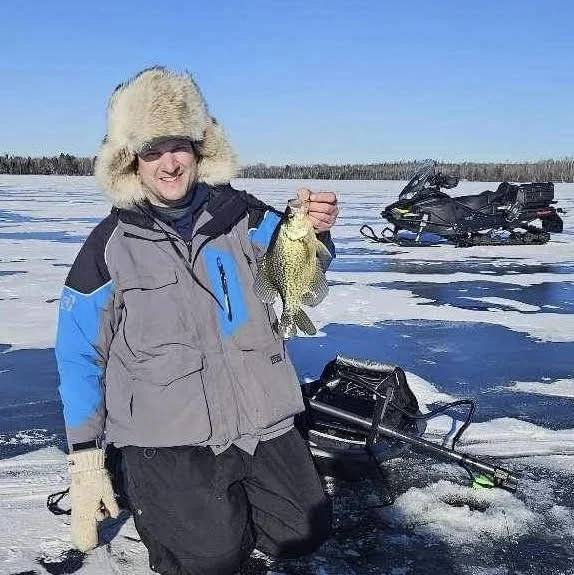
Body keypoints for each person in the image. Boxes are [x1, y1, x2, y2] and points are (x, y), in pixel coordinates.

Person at [55, 66, 339, 575]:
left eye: (179, 146)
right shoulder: (107, 247)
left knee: (306, 529)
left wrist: (316, 230)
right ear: (131, 161)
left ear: (199, 149)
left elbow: (297, 259)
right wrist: (85, 457)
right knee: (207, 560)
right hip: (167, 435)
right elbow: (78, 353)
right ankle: (152, 494)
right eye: (151, 150)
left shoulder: (242, 215)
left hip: (257, 418)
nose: (168, 163)